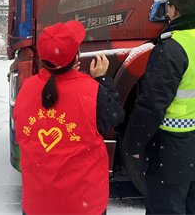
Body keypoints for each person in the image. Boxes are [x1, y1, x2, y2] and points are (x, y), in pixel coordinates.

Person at [122, 0, 195, 214]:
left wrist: (134, 143)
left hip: (173, 150)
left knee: (166, 208)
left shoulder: (171, 49)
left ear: (172, 9)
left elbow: (151, 105)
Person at [13, 20, 125, 215]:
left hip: (37, 205)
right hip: (83, 205)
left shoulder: (26, 89)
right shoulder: (91, 91)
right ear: (76, 56)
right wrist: (102, 79)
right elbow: (116, 116)